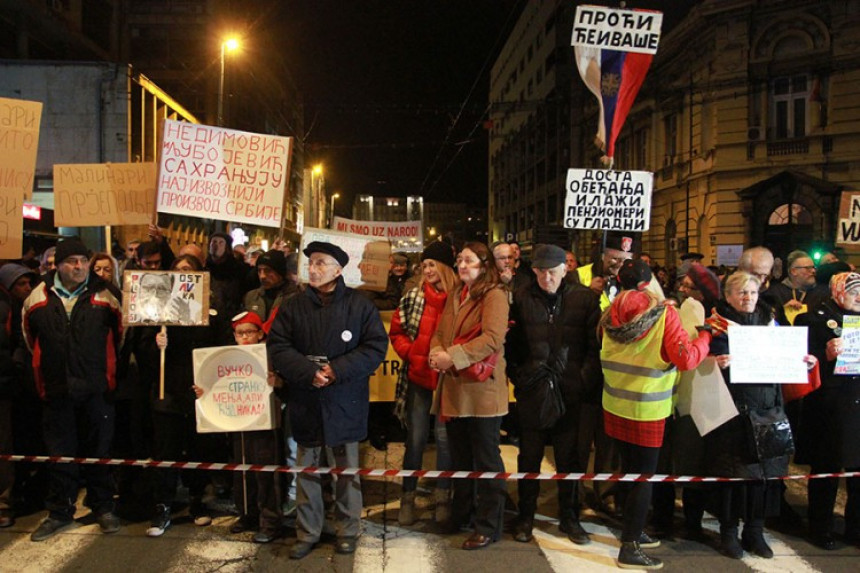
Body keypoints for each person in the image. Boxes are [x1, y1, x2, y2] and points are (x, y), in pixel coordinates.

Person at [268, 241, 388, 560]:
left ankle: (347, 530)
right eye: (312, 263)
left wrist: (337, 370)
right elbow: (278, 347)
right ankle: (308, 532)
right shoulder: (293, 306)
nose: (314, 268)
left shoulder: (360, 306)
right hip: (306, 399)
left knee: (346, 473)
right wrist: (308, 372)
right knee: (307, 471)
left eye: (322, 263)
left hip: (345, 401)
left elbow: (375, 347)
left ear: (338, 269)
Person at [600, 286, 714, 569]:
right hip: (647, 410)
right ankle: (630, 546)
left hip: (615, 405)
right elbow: (686, 358)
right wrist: (705, 336)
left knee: (629, 473)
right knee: (643, 480)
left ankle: (633, 530)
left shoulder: (609, 320)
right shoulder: (664, 317)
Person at [705, 271, 816, 559]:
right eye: (741, 292)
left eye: (752, 292)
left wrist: (804, 362)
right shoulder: (715, 327)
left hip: (768, 408)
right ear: (728, 296)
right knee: (733, 476)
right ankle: (728, 531)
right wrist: (715, 362)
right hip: (734, 411)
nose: (748, 298)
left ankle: (755, 531)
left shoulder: (772, 324)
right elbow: (698, 364)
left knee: (765, 475)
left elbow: (787, 361)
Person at [22, 238, 123, 541]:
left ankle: (103, 506)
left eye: (82, 260)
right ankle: (59, 511)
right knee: (59, 453)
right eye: (71, 261)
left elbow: (120, 335)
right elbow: (28, 338)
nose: (78, 267)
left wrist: (104, 371)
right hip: (55, 388)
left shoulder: (106, 294)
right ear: (57, 265)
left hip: (96, 387)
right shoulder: (37, 297)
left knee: (99, 451)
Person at [506, 244, 602, 545]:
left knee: (569, 459)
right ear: (533, 271)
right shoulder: (520, 299)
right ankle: (526, 515)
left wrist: (582, 380)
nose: (546, 277)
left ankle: (569, 516)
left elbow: (593, 348)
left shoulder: (585, 299)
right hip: (533, 390)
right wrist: (521, 377)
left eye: (552, 271)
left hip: (570, 391)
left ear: (565, 269)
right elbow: (512, 345)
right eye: (540, 271)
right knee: (530, 457)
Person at [429, 242, 509, 550]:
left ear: (484, 265)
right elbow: (440, 331)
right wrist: (437, 351)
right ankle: (462, 513)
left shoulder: (495, 295)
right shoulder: (456, 294)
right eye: (460, 260)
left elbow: (492, 338)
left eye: (470, 261)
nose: (463, 266)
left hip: (482, 390)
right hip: (455, 386)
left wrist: (453, 356)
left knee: (486, 458)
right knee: (460, 458)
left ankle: (489, 524)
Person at [145, 254, 223, 537]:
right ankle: (162, 504)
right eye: (177, 270)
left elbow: (220, 348)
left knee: (198, 449)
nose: (182, 274)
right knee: (165, 450)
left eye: (188, 271)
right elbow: (142, 354)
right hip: (168, 391)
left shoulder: (211, 309)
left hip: (198, 391)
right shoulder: (158, 309)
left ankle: (196, 500)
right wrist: (156, 344)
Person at [192, 310, 286, 543]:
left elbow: (285, 383)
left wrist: (278, 382)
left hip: (263, 422)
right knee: (242, 470)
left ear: (260, 333)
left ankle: (270, 521)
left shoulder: (271, 354)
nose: (244, 337)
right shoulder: (227, 357)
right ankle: (247, 514)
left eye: (249, 332)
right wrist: (204, 390)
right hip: (238, 420)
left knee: (265, 471)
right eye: (239, 333)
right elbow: (215, 383)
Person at [389, 240, 458, 526]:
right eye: (425, 265)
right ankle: (408, 498)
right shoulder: (413, 297)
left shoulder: (459, 299)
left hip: (448, 380)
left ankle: (443, 497)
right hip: (418, 377)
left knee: (444, 442)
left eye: (432, 264)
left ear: (444, 267)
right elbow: (397, 331)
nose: (427, 270)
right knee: (415, 440)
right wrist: (412, 353)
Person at [796, 272, 860, 550]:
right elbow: (800, 360)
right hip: (829, 406)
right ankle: (820, 527)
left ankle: (856, 528)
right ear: (837, 292)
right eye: (853, 291)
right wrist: (825, 355)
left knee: (858, 472)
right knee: (827, 469)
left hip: (857, 404)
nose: (859, 297)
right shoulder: (814, 319)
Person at [0, 264, 38, 528]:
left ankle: (4, 501)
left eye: (28, 283)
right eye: (21, 284)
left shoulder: (13, 306)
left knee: (5, 447)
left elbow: (19, 343)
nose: (27, 289)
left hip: (6, 385)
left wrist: (13, 366)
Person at [577, 232, 635, 310]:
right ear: (602, 256)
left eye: (625, 260)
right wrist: (588, 293)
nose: (620, 264)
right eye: (615, 259)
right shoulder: (578, 275)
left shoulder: (632, 278)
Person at [768, 250, 817, 324]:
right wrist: (782, 311)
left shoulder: (822, 293)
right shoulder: (775, 292)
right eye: (807, 268)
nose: (813, 271)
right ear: (793, 271)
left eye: (813, 267)